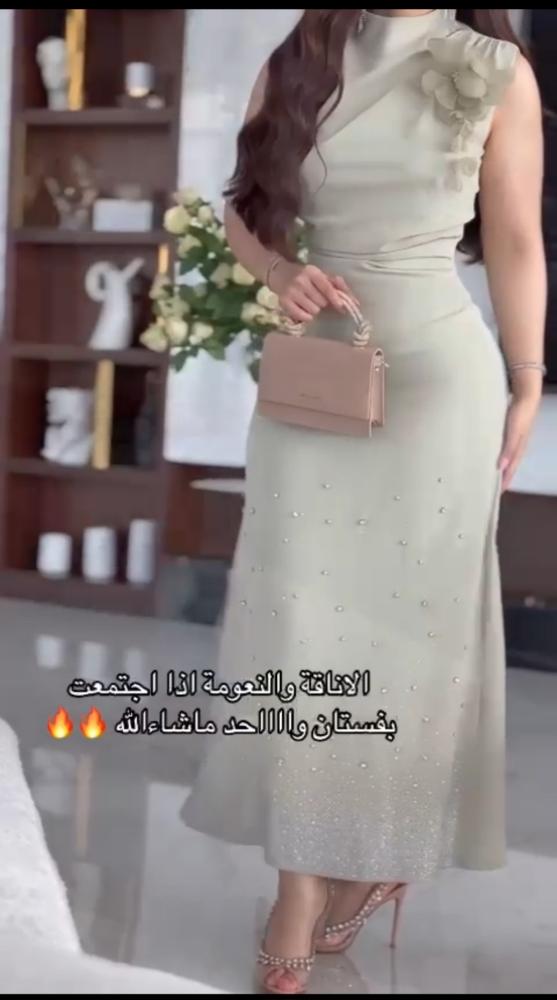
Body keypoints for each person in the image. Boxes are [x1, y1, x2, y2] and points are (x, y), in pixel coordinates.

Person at [184, 9, 545, 994]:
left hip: (438, 379)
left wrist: (526, 379)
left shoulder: (493, 70)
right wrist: (279, 271)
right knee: (300, 627)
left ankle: (369, 857)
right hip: (321, 373)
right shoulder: (296, 59)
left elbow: (514, 237)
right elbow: (243, 210)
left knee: (408, 642)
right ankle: (301, 884)